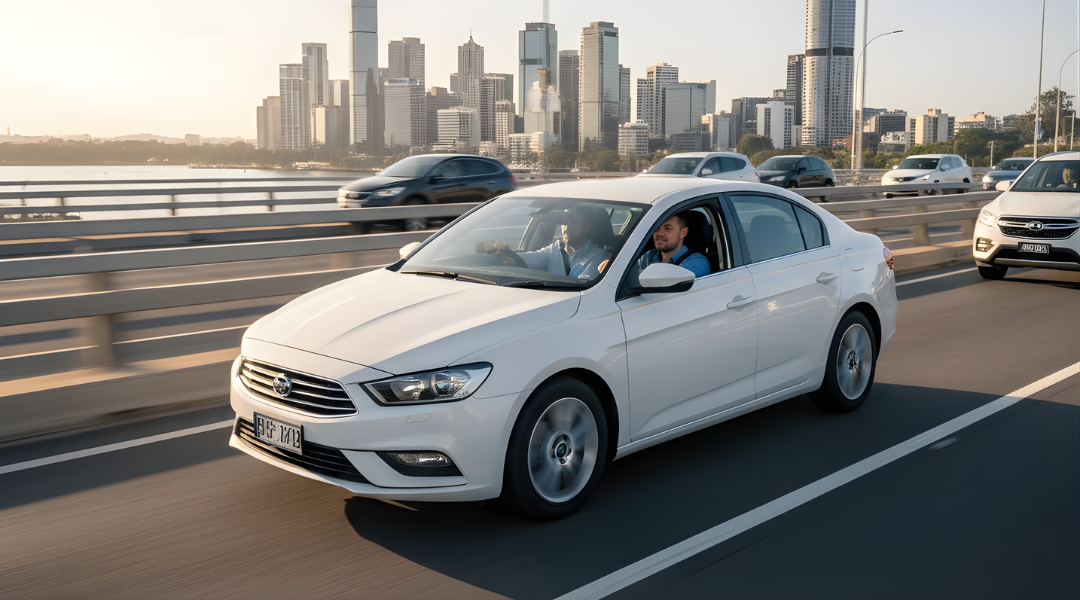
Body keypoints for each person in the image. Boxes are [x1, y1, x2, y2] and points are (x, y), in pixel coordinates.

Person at [477, 205, 612, 280]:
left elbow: (581, 288)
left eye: (573, 222)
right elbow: (525, 260)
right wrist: (501, 252)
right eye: (564, 222)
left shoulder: (599, 259)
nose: (566, 228)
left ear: (586, 227)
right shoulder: (554, 250)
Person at [636, 212, 710, 278]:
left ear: (683, 232)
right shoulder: (649, 256)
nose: (659, 233)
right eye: (656, 227)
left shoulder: (697, 262)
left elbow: (667, 287)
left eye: (668, 228)